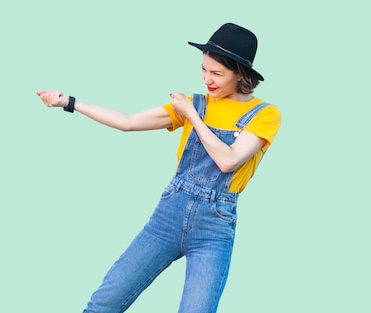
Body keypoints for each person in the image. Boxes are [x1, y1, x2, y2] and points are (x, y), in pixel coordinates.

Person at [36, 23, 281, 313]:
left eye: (217, 74)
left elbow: (228, 160)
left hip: (214, 225)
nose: (207, 79)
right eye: (203, 69)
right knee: (104, 303)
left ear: (241, 74)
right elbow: (127, 122)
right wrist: (70, 102)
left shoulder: (264, 114)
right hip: (169, 215)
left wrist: (192, 116)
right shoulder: (195, 103)